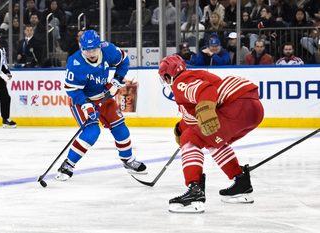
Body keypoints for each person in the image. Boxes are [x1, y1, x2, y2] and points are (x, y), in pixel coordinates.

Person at [158, 54, 264, 213]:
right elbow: (193, 117)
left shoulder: (180, 82)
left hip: (236, 105)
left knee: (190, 140)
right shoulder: (195, 75)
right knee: (211, 139)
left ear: (168, 76)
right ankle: (241, 183)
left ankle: (194, 192)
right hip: (251, 107)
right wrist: (180, 128)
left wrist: (205, 110)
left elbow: (205, 91)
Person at [55, 30, 147, 181]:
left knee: (121, 129)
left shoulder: (108, 49)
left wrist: (116, 80)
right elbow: (72, 89)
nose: (91, 53)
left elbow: (124, 62)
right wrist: (86, 105)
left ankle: (128, 160)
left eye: (94, 49)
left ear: (100, 45)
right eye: (87, 50)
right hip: (82, 99)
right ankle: (68, 164)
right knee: (92, 132)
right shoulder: (75, 62)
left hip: (104, 97)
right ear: (81, 48)